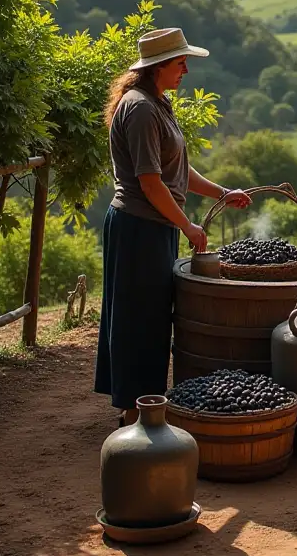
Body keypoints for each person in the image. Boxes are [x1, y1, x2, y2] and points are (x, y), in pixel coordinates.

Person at [94, 27, 252, 425]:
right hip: (139, 227)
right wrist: (187, 226)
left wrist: (219, 191)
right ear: (159, 66)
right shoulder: (142, 109)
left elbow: (176, 169)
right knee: (138, 319)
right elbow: (150, 183)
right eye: (181, 63)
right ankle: (134, 412)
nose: (185, 70)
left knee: (149, 315)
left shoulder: (157, 103)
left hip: (153, 224)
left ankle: (140, 404)